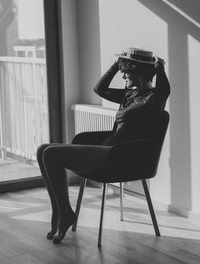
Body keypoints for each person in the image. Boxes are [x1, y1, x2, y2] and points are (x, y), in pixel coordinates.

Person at [37, 48, 170, 244]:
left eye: (127, 71)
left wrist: (160, 70)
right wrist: (117, 64)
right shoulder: (129, 95)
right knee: (43, 149)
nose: (123, 75)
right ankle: (60, 211)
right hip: (106, 150)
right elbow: (99, 89)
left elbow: (164, 90)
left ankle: (65, 213)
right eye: (123, 70)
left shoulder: (153, 99)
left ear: (140, 73)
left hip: (119, 157)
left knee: (51, 154)